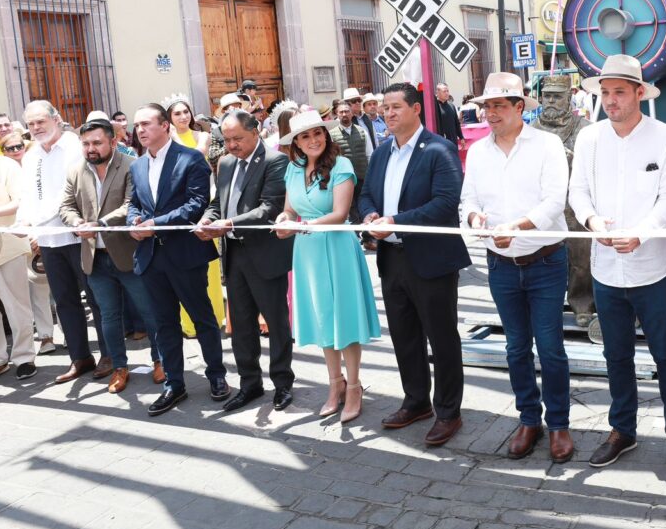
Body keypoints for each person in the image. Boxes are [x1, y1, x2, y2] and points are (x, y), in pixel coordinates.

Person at [569, 54, 666, 474]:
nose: (610, 100)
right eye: (605, 92)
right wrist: (593, 222)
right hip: (606, 267)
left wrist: (640, 233)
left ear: (640, 94)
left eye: (619, 92)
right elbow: (579, 193)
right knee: (616, 354)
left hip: (654, 268)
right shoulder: (589, 139)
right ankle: (621, 429)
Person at [461, 73, 573, 463]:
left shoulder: (547, 144)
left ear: (519, 107)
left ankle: (558, 423)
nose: (489, 113)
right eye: (485, 107)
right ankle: (529, 418)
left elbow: (555, 201)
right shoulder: (477, 153)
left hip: (545, 261)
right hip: (500, 264)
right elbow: (468, 200)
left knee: (551, 347)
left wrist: (517, 227)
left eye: (498, 106)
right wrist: (476, 220)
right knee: (514, 347)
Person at [360, 83, 472, 446]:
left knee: (442, 339)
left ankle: (448, 412)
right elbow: (365, 194)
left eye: (395, 107)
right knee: (405, 337)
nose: (388, 114)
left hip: (432, 260)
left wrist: (395, 220)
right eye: (384, 108)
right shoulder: (381, 154)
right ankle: (416, 401)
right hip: (392, 259)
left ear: (415, 109)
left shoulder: (438, 150)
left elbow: (445, 202)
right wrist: (371, 214)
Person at [273, 111, 379, 422]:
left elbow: (340, 212)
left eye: (317, 133)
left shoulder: (342, 165)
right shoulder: (293, 169)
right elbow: (290, 209)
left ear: (326, 134)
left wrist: (305, 226)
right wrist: (284, 220)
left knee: (344, 319)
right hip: (307, 252)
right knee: (321, 318)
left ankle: (355, 386)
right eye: (304, 136)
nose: (313, 140)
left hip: (336, 246)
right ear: (296, 143)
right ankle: (336, 384)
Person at [127, 104, 230, 416]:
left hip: (185, 254)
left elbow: (197, 203)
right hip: (151, 258)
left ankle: (217, 376)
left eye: (146, 124)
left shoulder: (190, 158)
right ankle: (174, 383)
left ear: (165, 127)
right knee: (163, 324)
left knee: (202, 319)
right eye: (137, 126)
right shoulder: (137, 166)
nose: (140, 130)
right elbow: (134, 203)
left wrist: (155, 224)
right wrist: (134, 223)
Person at [197, 110, 296, 412]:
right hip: (235, 255)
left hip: (265, 254)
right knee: (241, 325)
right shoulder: (224, 163)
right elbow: (218, 202)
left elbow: (269, 208)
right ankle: (250, 383)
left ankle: (282, 384)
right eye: (226, 140)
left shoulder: (275, 161)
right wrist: (207, 219)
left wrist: (227, 224)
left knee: (276, 323)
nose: (232, 145)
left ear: (255, 132)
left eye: (237, 138)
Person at [59, 119, 165, 394]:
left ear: (113, 142)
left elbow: (133, 203)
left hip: (130, 254)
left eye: (97, 143)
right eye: (85, 143)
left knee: (149, 312)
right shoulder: (75, 171)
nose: (91, 149)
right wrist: (76, 223)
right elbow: (67, 206)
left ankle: (160, 360)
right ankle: (120, 367)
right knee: (108, 316)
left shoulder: (131, 166)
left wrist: (100, 224)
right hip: (95, 258)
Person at [17, 100, 109, 383]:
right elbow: (28, 194)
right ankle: (80, 357)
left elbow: (70, 194)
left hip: (78, 236)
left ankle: (110, 355)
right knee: (65, 302)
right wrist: (23, 221)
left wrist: (37, 221)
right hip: (49, 241)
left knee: (96, 299)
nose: (35, 128)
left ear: (56, 119)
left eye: (40, 122)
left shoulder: (74, 147)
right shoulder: (32, 156)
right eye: (30, 124)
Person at [532, 75, 596, 327]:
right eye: (547, 95)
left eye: (557, 96)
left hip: (575, 202)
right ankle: (547, 304)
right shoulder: (532, 131)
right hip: (543, 203)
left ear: (569, 98)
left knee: (581, 258)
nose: (550, 100)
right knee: (543, 256)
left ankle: (583, 303)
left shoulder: (586, 128)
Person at [163, 94, 225, 337]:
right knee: (184, 264)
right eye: (177, 113)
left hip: (204, 200)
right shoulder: (168, 139)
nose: (183, 116)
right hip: (179, 203)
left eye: (185, 111)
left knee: (209, 263)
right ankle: (189, 322)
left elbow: (196, 157)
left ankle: (214, 316)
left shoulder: (204, 137)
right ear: (169, 117)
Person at [0, 118, 37, 382]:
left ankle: (24, 357)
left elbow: (20, 200)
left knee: (16, 305)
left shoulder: (5, 166)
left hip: (7, 247)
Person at [0, 130, 54, 353]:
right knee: (36, 290)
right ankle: (46, 336)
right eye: (11, 148)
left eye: (20, 146)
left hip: (44, 235)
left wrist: (39, 233)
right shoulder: (4, 171)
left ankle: (69, 334)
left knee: (58, 290)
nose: (17, 151)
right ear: (4, 151)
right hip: (16, 241)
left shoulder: (37, 167)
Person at [330, 101, 374, 250]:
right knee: (350, 209)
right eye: (341, 112)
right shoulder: (331, 134)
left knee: (365, 207)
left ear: (352, 113)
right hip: (344, 179)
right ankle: (354, 239)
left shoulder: (362, 131)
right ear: (336, 114)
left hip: (363, 176)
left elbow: (370, 154)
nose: (344, 114)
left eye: (347, 111)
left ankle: (368, 238)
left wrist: (371, 174)